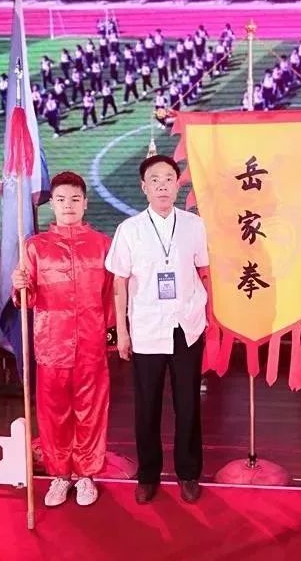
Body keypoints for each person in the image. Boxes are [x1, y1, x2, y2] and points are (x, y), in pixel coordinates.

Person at [105, 154, 210, 505]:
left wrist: (205, 315)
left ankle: (188, 473)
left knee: (188, 404)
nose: (162, 185)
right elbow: (119, 283)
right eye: (155, 180)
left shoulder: (194, 225)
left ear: (178, 185)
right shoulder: (129, 230)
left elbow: (203, 272)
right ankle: (148, 475)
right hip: (147, 329)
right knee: (146, 406)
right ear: (144, 187)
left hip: (186, 327)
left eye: (169, 179)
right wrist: (122, 331)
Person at [11, 171, 115, 507]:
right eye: (60, 199)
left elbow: (111, 297)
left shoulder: (103, 245)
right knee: (54, 414)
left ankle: (86, 475)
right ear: (52, 204)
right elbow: (26, 299)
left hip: (91, 344)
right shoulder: (35, 247)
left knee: (90, 412)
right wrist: (19, 284)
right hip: (51, 344)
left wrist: (110, 336)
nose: (68, 205)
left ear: (85, 203)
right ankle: (60, 475)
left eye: (74, 199)